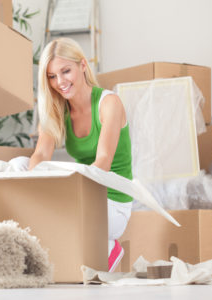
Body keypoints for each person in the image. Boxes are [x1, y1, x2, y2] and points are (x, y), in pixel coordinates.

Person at [18, 37, 133, 272]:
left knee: (58, 208)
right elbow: (40, 153)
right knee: (18, 164)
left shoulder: (109, 103)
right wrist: (30, 183)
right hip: (81, 196)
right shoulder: (57, 109)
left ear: (82, 65)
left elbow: (103, 162)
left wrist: (65, 193)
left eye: (65, 71)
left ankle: (109, 246)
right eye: (51, 76)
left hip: (111, 202)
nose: (60, 82)